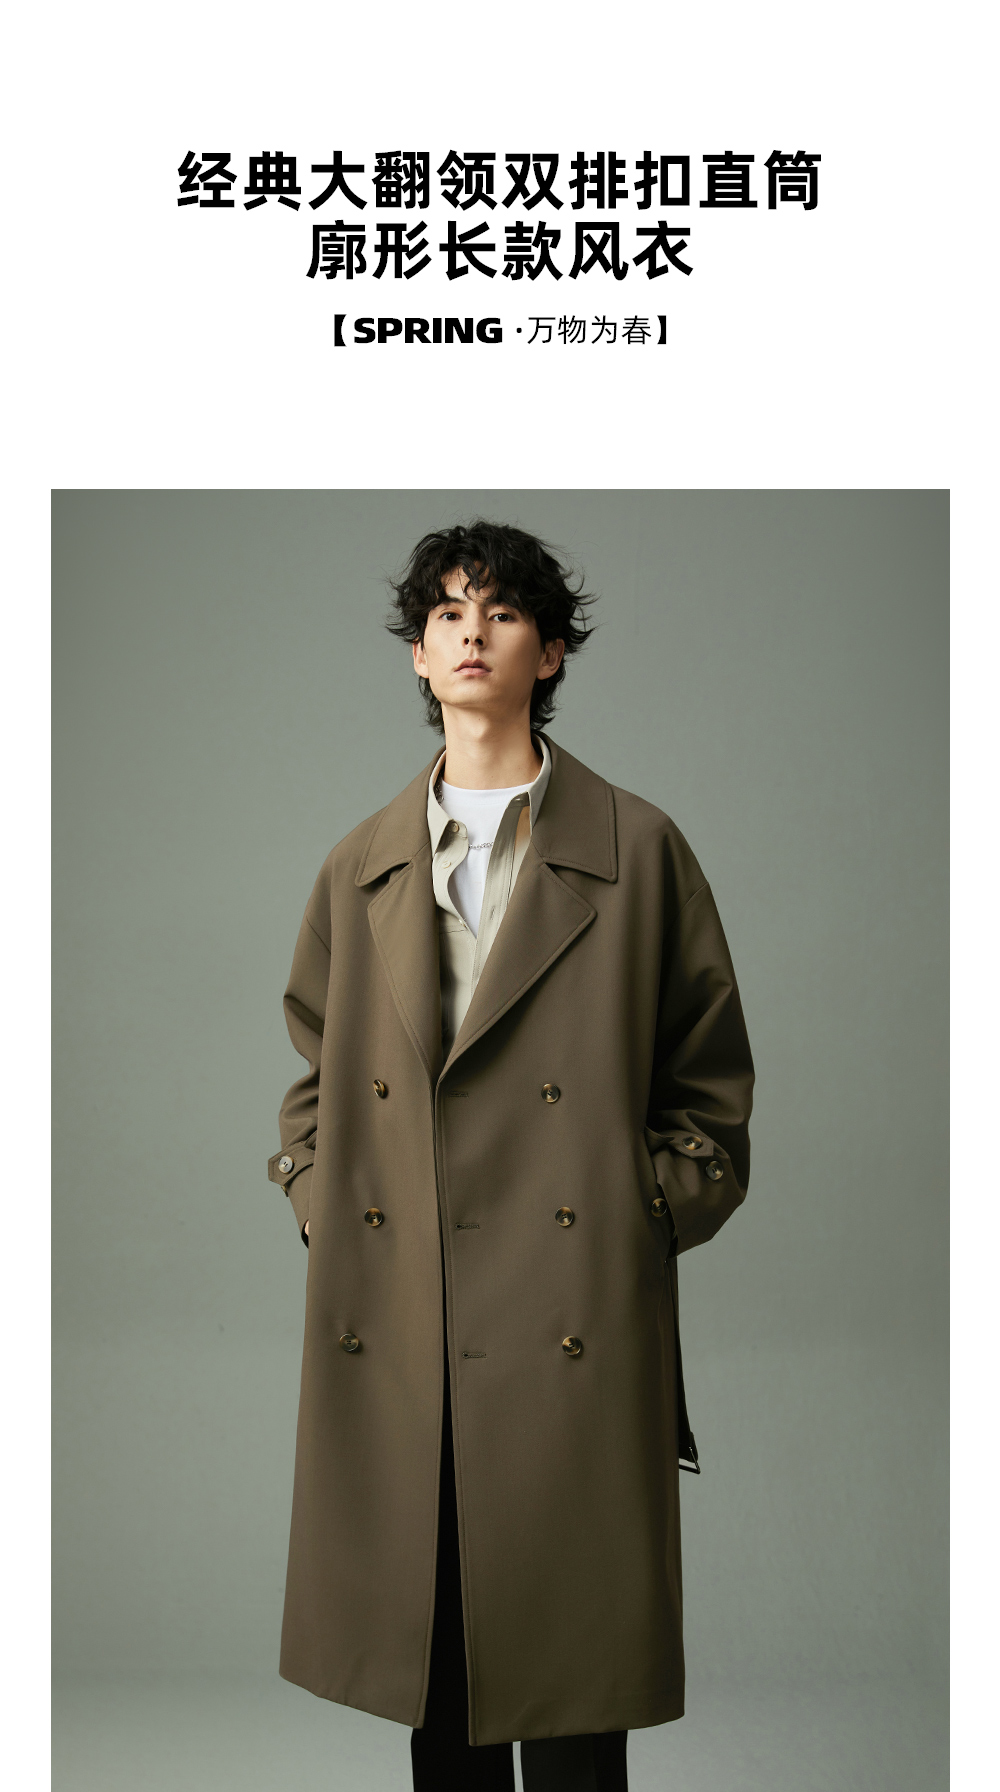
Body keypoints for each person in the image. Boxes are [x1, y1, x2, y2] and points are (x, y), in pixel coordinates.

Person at [269, 521, 755, 1790]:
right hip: (410, 1314)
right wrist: (322, 1196)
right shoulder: (361, 862)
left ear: (550, 652)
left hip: (569, 1311)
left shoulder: (639, 848)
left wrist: (633, 1213)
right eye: (446, 613)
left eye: (500, 612)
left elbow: (709, 1092)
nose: (471, 633)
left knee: (574, 1676)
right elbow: (316, 1071)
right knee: (439, 1673)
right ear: (418, 654)